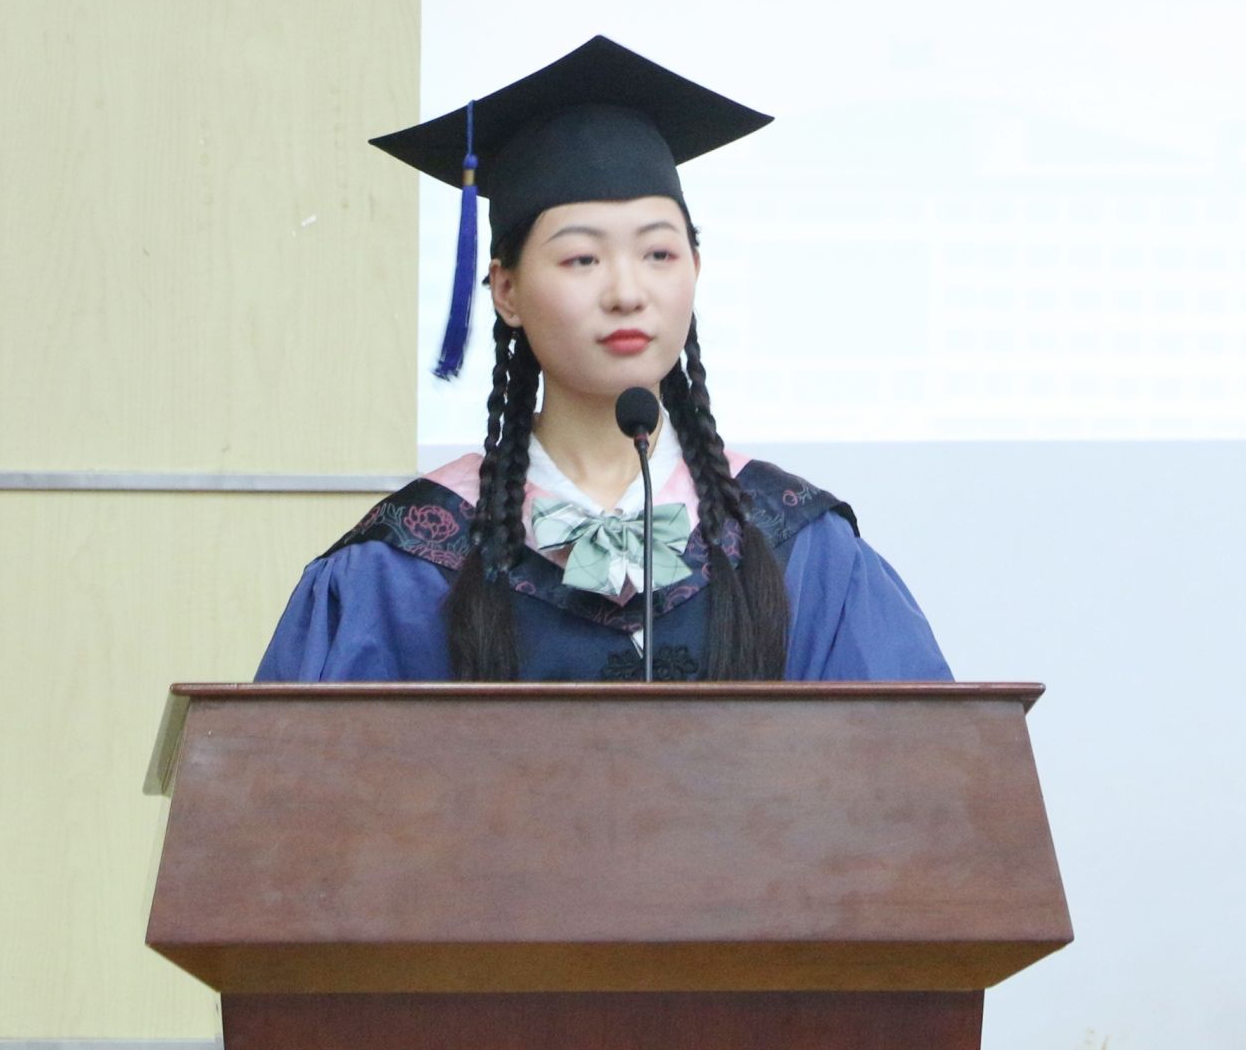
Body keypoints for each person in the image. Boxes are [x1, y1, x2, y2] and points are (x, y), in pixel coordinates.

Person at [256, 36, 949, 684]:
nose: (627, 292)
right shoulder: (405, 564)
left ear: (696, 269)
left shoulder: (798, 548)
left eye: (659, 254)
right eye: (582, 258)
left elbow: (909, 758)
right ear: (506, 290)